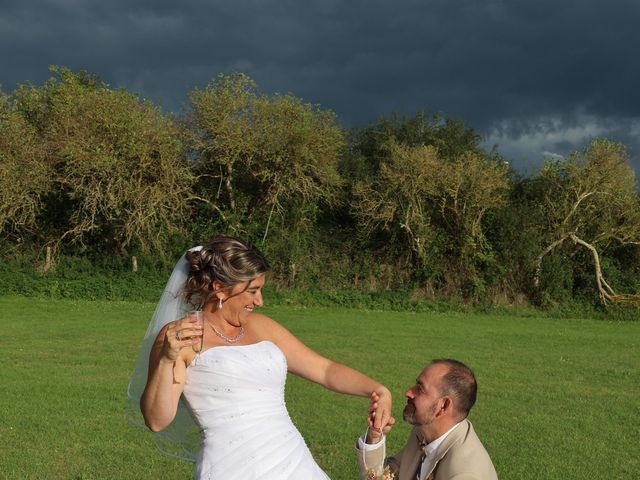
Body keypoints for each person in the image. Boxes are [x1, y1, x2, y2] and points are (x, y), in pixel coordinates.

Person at [127, 235, 392, 480]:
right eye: (252, 291)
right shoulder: (180, 336)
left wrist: (377, 389)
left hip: (292, 461)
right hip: (231, 467)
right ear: (220, 288)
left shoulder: (262, 326)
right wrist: (165, 359)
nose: (260, 301)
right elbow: (157, 420)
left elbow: (325, 370)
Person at [356, 359, 497, 480]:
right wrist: (375, 436)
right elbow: (386, 476)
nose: (408, 392)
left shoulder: (465, 473)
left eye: (420, 388)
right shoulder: (424, 432)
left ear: (444, 406)